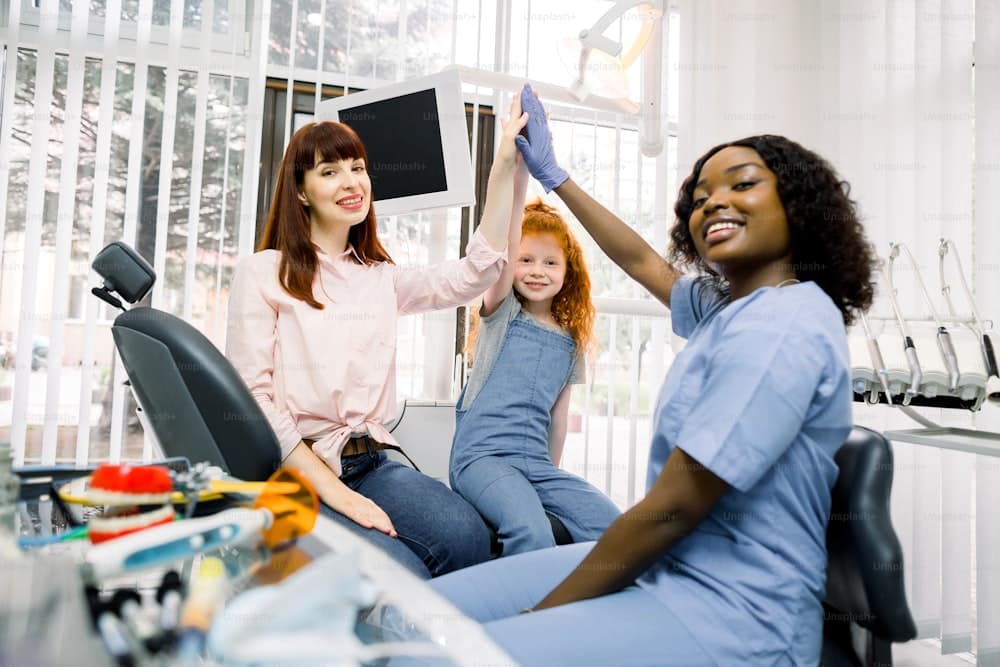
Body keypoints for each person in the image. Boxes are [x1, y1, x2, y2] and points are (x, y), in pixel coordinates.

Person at [430, 86, 877, 666]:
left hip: (733, 613)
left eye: (742, 184)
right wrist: (553, 176)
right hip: (674, 568)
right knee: (408, 616)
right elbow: (644, 263)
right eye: (699, 196)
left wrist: (543, 618)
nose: (713, 202)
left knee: (443, 657)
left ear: (798, 205)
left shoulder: (786, 324)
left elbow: (674, 507)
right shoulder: (725, 307)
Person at [226, 94, 532, 579]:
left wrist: (503, 167)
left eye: (358, 168)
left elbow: (474, 273)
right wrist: (339, 496)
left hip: (370, 463)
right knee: (398, 575)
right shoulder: (265, 273)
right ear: (301, 192)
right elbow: (254, 401)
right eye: (329, 171)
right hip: (297, 470)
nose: (351, 182)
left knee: (468, 539)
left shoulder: (380, 278)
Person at [449, 187, 621, 556]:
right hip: (482, 458)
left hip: (535, 465)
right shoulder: (502, 315)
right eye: (525, 260)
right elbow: (503, 249)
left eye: (549, 262)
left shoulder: (571, 342)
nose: (537, 272)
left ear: (567, 271)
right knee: (531, 532)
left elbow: (558, 421)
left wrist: (546, 489)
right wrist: (519, 176)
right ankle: (523, 610)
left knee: (614, 530)